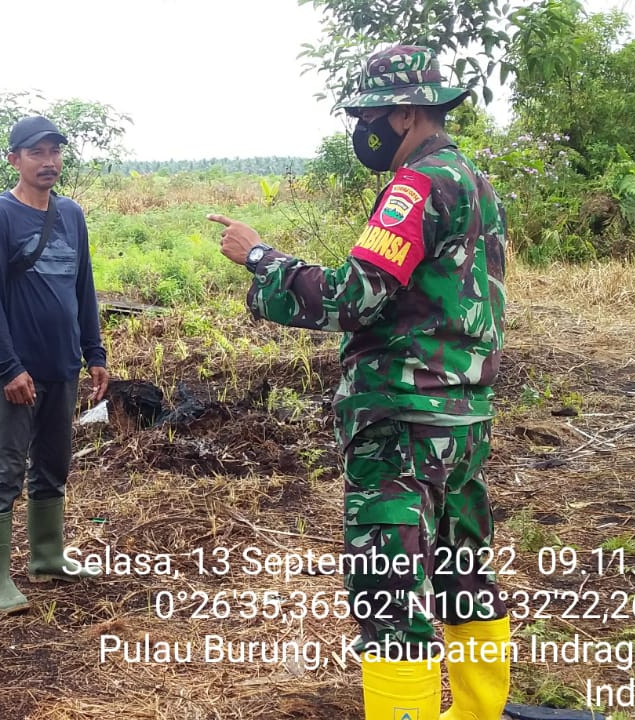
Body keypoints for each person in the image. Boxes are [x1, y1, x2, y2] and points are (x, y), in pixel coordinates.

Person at [209, 45, 511, 720]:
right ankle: (477, 712)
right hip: (463, 418)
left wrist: (261, 261)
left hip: (403, 420)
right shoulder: (474, 182)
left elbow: (352, 297)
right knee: (465, 575)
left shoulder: (416, 187)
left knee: (388, 591)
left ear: (405, 114)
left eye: (368, 115)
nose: (362, 130)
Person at [0, 116, 109, 613]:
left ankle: (47, 557)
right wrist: (7, 369)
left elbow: (84, 287)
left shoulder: (71, 214)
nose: (48, 161)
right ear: (14, 160)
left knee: (54, 464)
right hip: (18, 373)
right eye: (36, 153)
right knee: (7, 468)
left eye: (54, 152)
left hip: (62, 366)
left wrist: (94, 353)